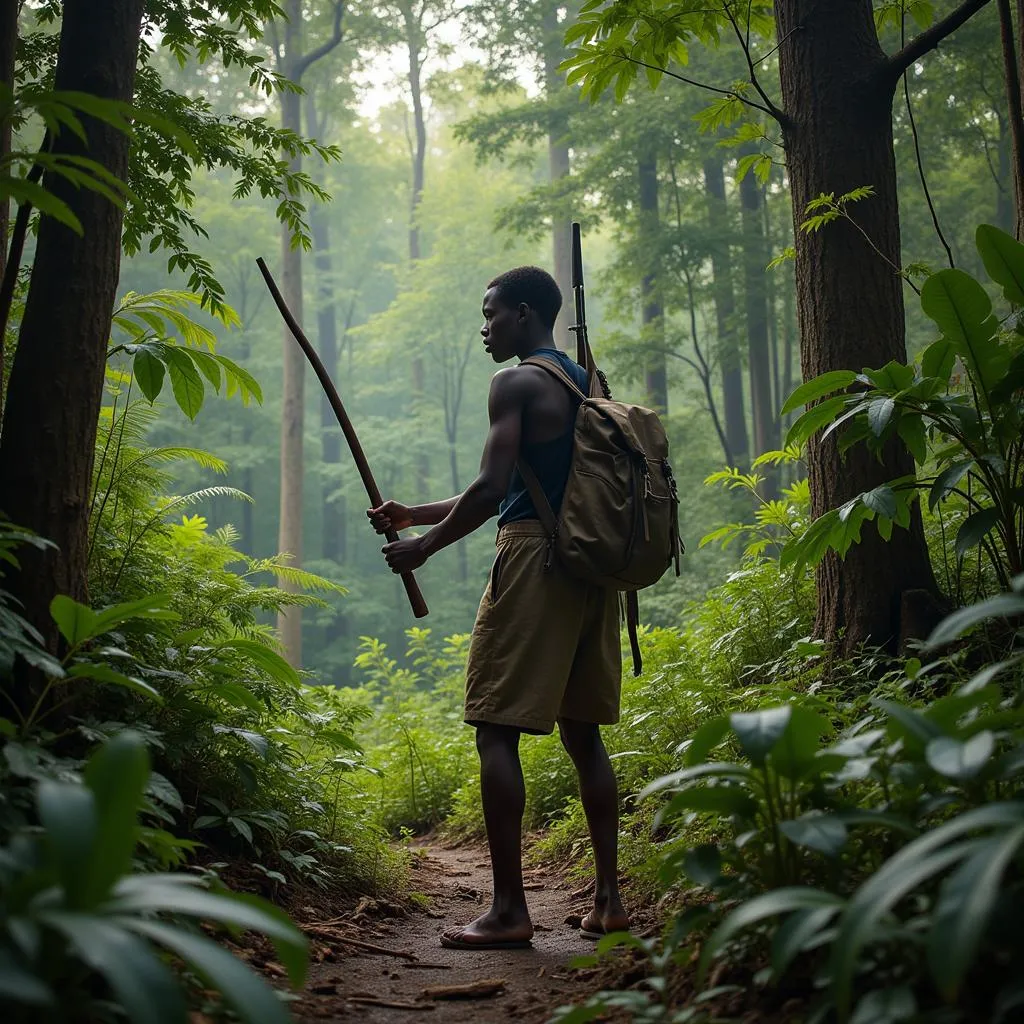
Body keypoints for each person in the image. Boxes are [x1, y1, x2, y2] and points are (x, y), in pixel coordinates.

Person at [367, 266, 628, 950]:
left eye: (490, 315)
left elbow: (491, 492)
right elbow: (525, 478)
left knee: (494, 727)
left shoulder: (512, 382)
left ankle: (510, 911)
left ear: (521, 312)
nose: (483, 329)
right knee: (583, 735)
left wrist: (423, 547)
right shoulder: (583, 381)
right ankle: (609, 901)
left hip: (534, 559)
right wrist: (416, 511)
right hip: (590, 564)